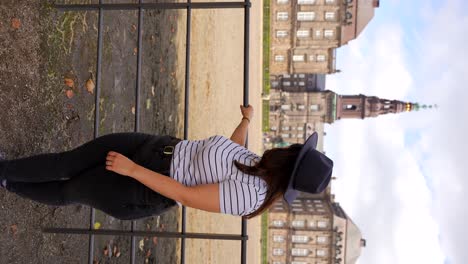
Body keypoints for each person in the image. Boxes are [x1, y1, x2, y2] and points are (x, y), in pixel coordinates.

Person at [0, 105, 333, 220]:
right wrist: (246, 121)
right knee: (66, 162)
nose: (291, 145)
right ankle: (6, 172)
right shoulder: (260, 166)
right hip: (155, 148)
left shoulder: (253, 196)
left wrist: (133, 170)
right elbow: (230, 153)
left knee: (69, 189)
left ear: (291, 162)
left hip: (144, 182)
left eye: (296, 150)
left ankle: (8, 180)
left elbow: (188, 196)